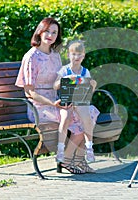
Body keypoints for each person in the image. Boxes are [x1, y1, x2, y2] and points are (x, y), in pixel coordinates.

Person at [15, 17, 85, 174]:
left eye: (54, 32)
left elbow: (58, 83)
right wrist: (52, 104)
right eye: (47, 31)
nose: (50, 35)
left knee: (86, 113)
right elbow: (29, 92)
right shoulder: (31, 57)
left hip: (56, 102)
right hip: (38, 107)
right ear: (39, 32)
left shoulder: (55, 55)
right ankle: (65, 159)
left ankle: (68, 159)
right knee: (73, 116)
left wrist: (71, 82)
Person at [53, 40, 100, 172]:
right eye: (73, 54)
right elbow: (55, 86)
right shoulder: (65, 70)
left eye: (79, 55)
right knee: (66, 117)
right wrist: (65, 80)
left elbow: (88, 93)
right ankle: (61, 149)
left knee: (88, 117)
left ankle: (89, 147)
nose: (76, 57)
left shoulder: (85, 72)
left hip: (80, 103)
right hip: (66, 103)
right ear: (69, 55)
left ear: (83, 56)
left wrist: (93, 86)